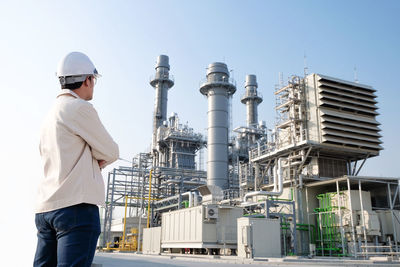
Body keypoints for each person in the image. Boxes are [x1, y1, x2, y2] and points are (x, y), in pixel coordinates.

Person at [34, 52, 119, 267]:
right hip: (75, 209)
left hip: (46, 209)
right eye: (94, 80)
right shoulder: (79, 108)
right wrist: (97, 157)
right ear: (87, 79)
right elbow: (111, 151)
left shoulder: (49, 115)